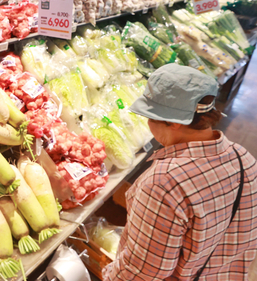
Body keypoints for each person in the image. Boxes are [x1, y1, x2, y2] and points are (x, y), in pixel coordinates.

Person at [103, 64, 257, 280]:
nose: (148, 124)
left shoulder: (163, 184)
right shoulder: (245, 159)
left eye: (150, 115)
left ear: (173, 122)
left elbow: (142, 272)